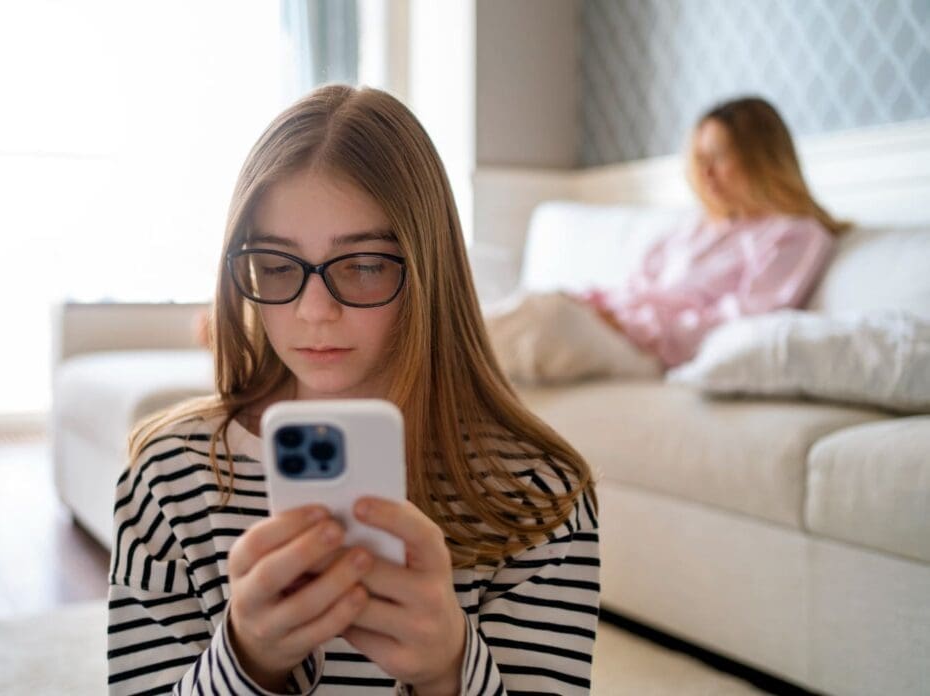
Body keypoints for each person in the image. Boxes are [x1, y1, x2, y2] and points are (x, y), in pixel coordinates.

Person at [107, 85, 600, 695]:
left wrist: (450, 670)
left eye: (364, 265)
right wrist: (246, 662)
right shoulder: (168, 477)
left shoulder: (539, 495)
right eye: (279, 266)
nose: (315, 310)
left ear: (428, 270)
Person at [486, 96, 847, 384]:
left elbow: (742, 323)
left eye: (719, 157)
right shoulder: (693, 229)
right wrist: (595, 306)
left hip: (653, 353)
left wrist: (633, 325)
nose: (705, 173)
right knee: (524, 310)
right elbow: (635, 287)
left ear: (761, 159)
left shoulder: (793, 235)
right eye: (700, 158)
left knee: (542, 317)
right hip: (618, 327)